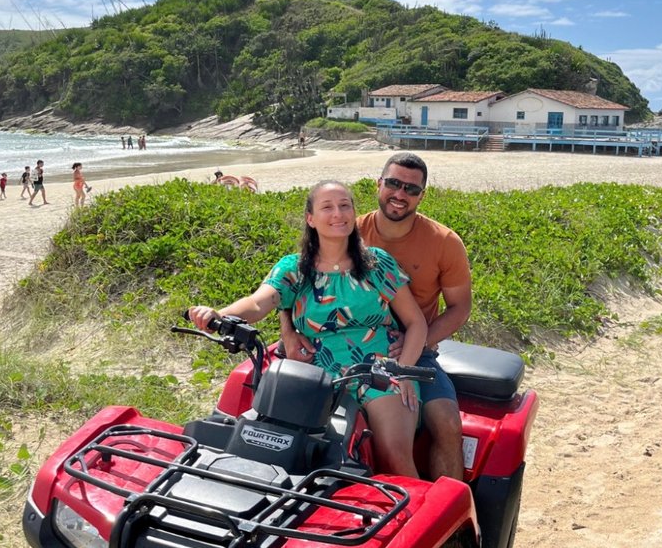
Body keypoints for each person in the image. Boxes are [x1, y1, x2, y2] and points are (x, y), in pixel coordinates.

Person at [189, 181, 429, 477]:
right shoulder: (294, 268)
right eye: (327, 207)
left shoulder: (376, 263)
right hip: (315, 373)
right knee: (275, 449)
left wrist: (402, 370)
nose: (338, 213)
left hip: (380, 371)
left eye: (345, 206)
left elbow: (416, 322)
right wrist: (218, 314)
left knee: (395, 456)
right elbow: (258, 303)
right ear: (310, 218)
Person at [281, 152, 472, 482]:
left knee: (447, 423)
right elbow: (292, 281)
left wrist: (416, 346)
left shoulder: (443, 242)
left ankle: (451, 517)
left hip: (415, 350)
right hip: (343, 346)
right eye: (394, 184)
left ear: (421, 196)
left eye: (411, 189)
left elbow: (460, 307)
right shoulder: (347, 229)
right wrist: (288, 330)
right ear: (378, 185)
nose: (400, 194)